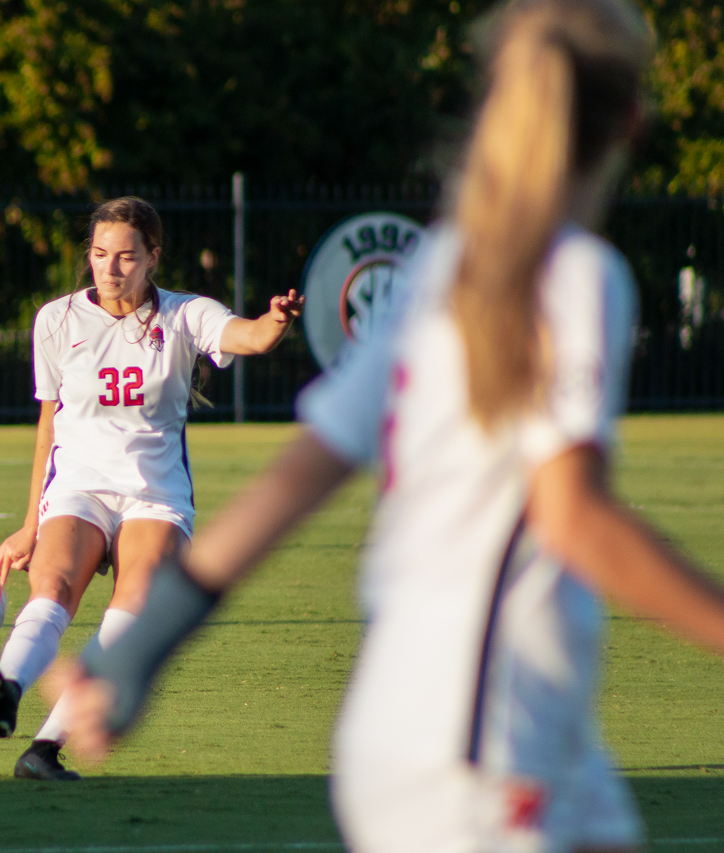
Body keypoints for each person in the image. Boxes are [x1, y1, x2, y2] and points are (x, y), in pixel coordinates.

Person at [62, 2, 724, 850]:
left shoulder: (439, 268)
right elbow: (574, 515)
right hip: (489, 738)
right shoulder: (576, 275)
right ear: (631, 122)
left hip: (420, 727)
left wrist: (140, 648)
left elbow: (295, 478)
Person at [0, 196, 303, 780]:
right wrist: (31, 524)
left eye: (126, 256)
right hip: (78, 485)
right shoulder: (57, 319)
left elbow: (246, 337)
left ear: (153, 257)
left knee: (133, 607)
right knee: (52, 587)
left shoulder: (184, 313)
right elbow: (49, 424)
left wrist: (275, 320)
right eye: (100, 254)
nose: (110, 268)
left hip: (154, 492)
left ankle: (44, 750)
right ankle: (9, 689)